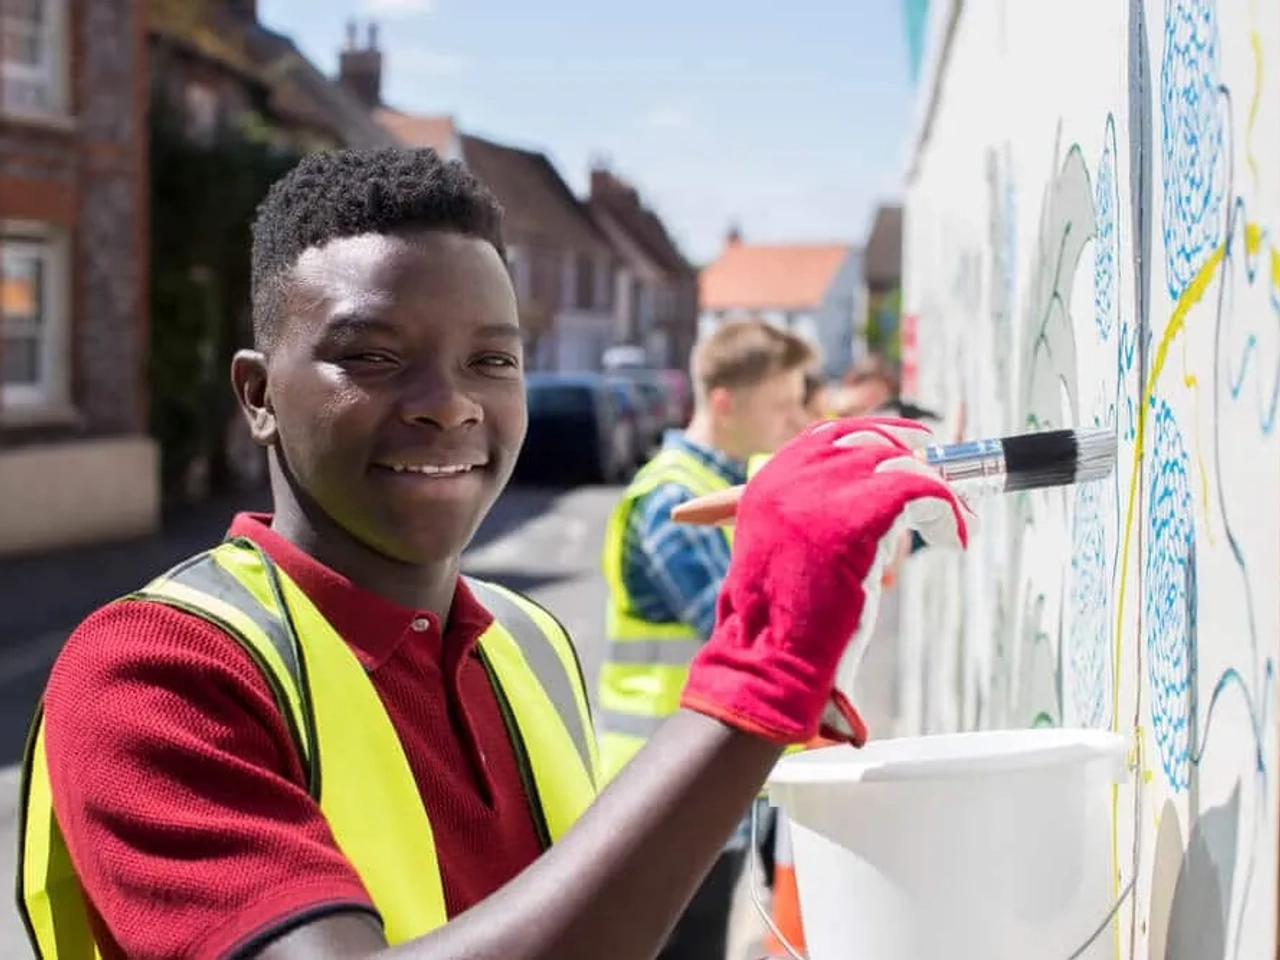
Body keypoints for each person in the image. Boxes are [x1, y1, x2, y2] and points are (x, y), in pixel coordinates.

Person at [16, 147, 971, 960]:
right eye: (375, 355)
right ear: (260, 396)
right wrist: (760, 672)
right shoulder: (153, 674)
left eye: (494, 360)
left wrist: (780, 715)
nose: (450, 402)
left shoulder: (526, 641)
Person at [597, 318, 813, 960]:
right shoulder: (675, 501)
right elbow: (755, 638)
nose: (796, 419)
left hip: (700, 791)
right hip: (665, 795)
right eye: (783, 404)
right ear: (724, 402)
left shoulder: (726, 491)